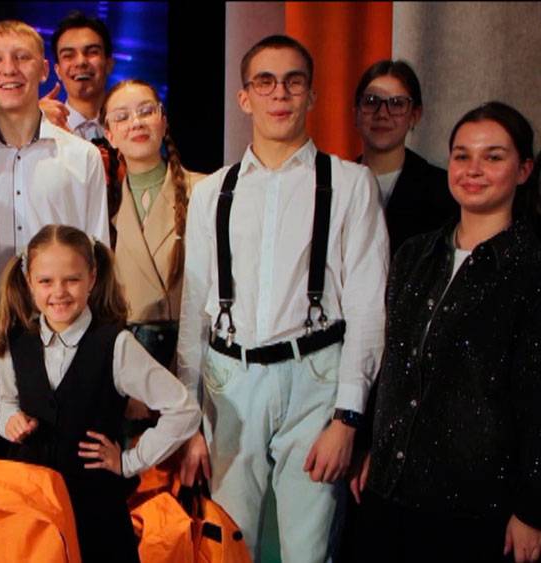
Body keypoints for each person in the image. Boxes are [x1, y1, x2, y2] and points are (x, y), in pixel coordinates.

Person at [176, 35, 389, 562]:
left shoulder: (351, 184)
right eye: (265, 82)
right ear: (245, 97)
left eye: (293, 82)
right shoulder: (211, 192)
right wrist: (187, 420)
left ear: (311, 95)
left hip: (315, 378)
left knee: (307, 551)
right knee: (230, 544)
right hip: (229, 381)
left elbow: (367, 308)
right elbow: (194, 309)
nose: (280, 94)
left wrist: (348, 418)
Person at [347, 101, 541, 563]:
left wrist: (532, 509)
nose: (473, 169)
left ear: (523, 170)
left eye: (493, 157)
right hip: (390, 490)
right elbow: (393, 366)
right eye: (462, 155)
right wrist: (374, 445)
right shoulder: (415, 255)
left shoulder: (531, 269)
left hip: (476, 508)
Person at [0, 19, 109, 494]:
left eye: (22, 57)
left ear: (44, 69)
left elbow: (99, 263)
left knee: (65, 501)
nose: (9, 69)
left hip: (63, 362)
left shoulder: (81, 157)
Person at [0, 224, 200, 562]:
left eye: (72, 279)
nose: (59, 292)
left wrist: (130, 462)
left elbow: (184, 410)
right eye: (46, 281)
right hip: (35, 512)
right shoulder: (16, 341)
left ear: (92, 277)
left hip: (98, 513)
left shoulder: (116, 345)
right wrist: (9, 421)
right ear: (29, 282)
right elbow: (5, 403)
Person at [100, 79, 204, 369]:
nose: (136, 123)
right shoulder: (103, 206)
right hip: (130, 362)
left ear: (163, 121)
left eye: (146, 111)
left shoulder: (204, 191)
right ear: (109, 135)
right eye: (122, 117)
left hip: (193, 354)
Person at [354, 59, 457, 256]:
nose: (382, 114)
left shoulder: (443, 190)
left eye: (397, 104)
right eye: (371, 102)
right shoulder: (334, 184)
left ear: (415, 115)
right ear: (356, 113)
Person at [40, 11, 115, 141]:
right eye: (68, 55)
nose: (81, 62)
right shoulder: (43, 127)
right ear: (57, 70)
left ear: (109, 64)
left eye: (92, 52)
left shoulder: (130, 126)